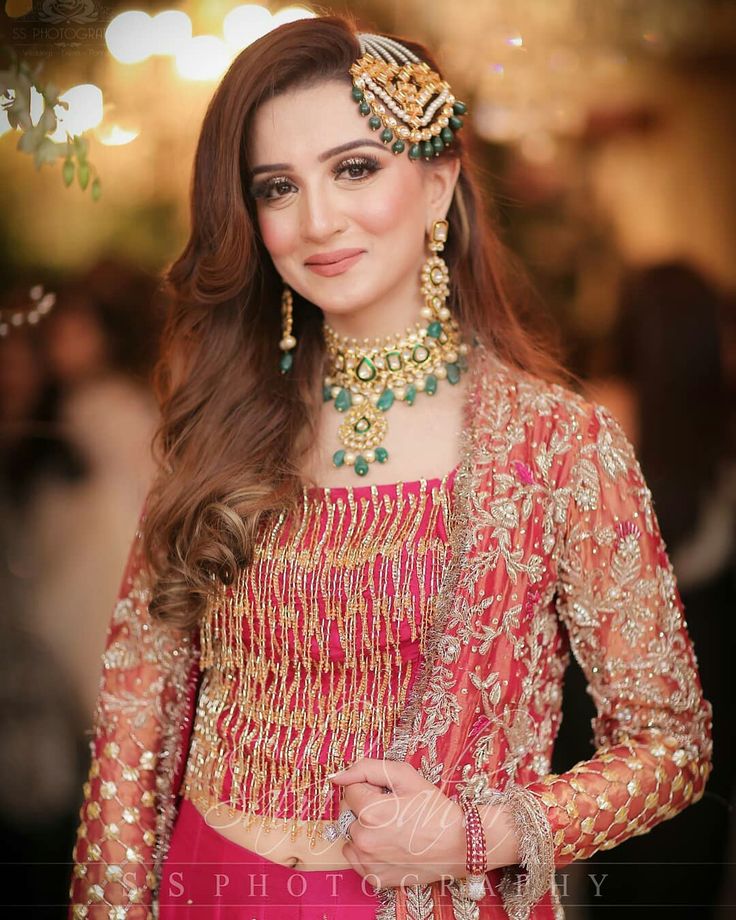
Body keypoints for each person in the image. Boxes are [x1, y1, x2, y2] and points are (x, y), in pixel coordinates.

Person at [67, 15, 713, 920]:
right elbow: (134, 725)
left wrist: (479, 836)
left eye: (356, 167)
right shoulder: (216, 426)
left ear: (440, 181)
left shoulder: (557, 447)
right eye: (277, 187)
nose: (317, 220)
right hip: (206, 886)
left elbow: (670, 745)